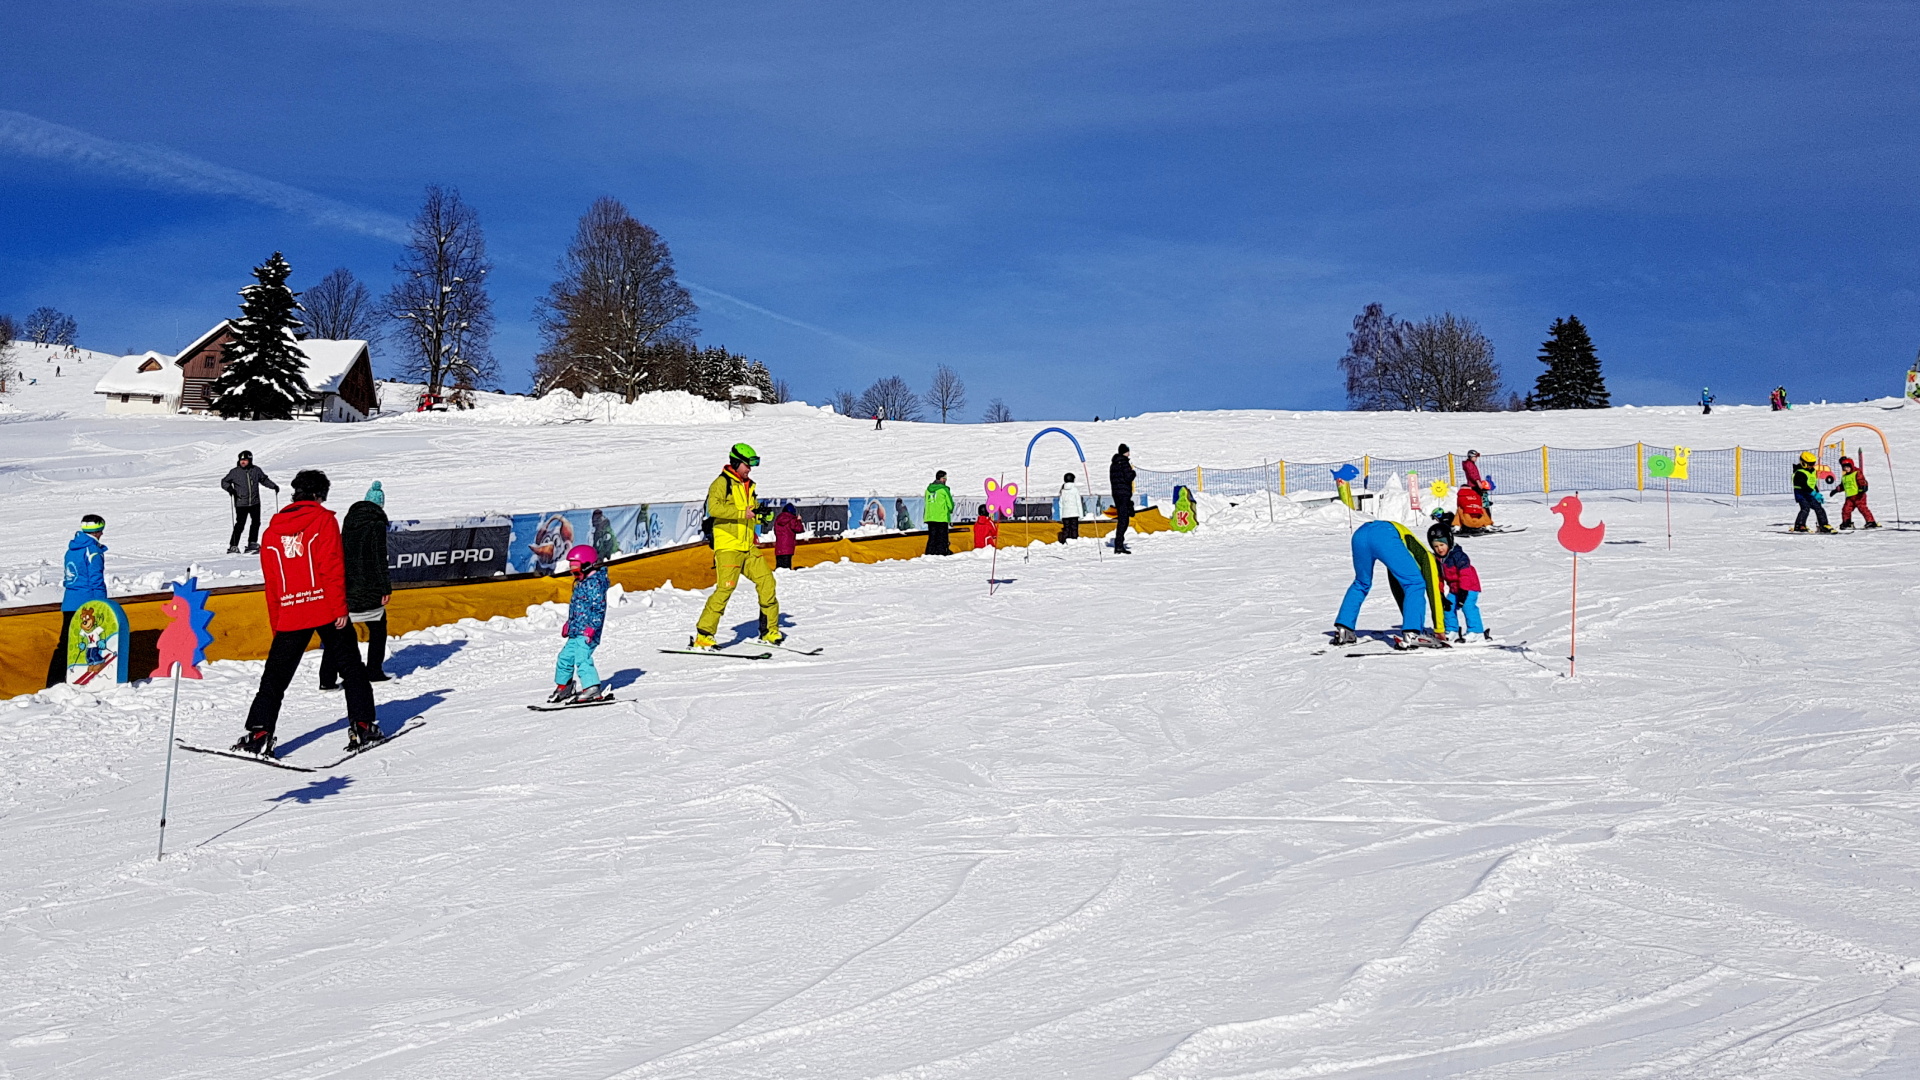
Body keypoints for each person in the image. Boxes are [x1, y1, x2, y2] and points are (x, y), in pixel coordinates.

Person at [231, 470, 380, 757]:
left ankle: (259, 732)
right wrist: (340, 609)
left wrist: (277, 621)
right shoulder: (323, 520)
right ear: (319, 494)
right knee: (351, 668)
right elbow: (332, 567)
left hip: (290, 612)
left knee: (274, 677)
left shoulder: (272, 532)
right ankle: (362, 726)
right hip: (325, 608)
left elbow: (272, 583)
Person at [692, 443, 783, 649]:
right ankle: (704, 634)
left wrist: (760, 515)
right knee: (725, 589)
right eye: (747, 465)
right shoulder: (721, 483)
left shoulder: (749, 485)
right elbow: (714, 508)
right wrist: (743, 513)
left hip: (747, 546)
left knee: (767, 582)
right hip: (728, 547)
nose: (749, 469)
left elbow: (749, 513)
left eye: (752, 465)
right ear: (736, 462)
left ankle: (769, 631)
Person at [1331, 519, 1448, 649]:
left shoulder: (1403, 546)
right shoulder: (1427, 557)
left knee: (1361, 583)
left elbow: (1397, 587)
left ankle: (1344, 630)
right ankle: (1412, 634)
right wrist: (1439, 629)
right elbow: (1433, 590)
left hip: (1360, 534)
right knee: (1415, 583)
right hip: (1384, 534)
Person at [320, 481, 391, 689]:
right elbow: (379, 558)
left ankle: (327, 678)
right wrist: (385, 587)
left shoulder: (348, 521)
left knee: (339, 635)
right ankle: (374, 670)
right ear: (380, 505)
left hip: (346, 586)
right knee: (378, 628)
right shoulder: (376, 524)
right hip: (369, 586)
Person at [44, 514, 108, 688]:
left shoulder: (72, 549)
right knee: (90, 642)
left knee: (65, 644)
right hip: (87, 605)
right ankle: (82, 680)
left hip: (70, 602)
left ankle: (54, 683)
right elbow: (96, 579)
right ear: (99, 530)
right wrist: (103, 604)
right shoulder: (93, 550)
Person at [548, 545, 610, 704]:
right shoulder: (582, 583)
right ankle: (565, 686)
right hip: (577, 630)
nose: (574, 575)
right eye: (572, 572)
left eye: (576, 572)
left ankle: (592, 688)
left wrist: (592, 627)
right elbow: (578, 608)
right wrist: (569, 624)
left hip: (589, 631)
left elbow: (599, 609)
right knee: (564, 657)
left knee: (582, 658)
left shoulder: (595, 584)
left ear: (587, 566)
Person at [1429, 526, 1490, 642]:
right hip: (1454, 589)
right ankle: (1452, 631)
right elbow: (1439, 578)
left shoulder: (1458, 555)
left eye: (1442, 545)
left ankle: (1476, 632)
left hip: (1469, 587)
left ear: (1449, 541)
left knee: (1468, 606)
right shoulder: (1438, 560)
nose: (1439, 549)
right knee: (1447, 607)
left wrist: (1463, 591)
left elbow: (1465, 574)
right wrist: (1440, 594)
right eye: (1436, 546)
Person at [220, 450, 280, 554]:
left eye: (245, 460)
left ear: (250, 460)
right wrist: (230, 489)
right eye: (241, 460)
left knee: (256, 523)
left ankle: (252, 543)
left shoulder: (256, 470)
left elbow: (264, 480)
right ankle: (233, 546)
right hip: (241, 503)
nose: (243, 462)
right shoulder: (235, 472)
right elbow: (224, 481)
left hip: (255, 502)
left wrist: (273, 486)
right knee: (240, 524)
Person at [1791, 451, 1835, 534]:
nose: (1812, 466)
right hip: (1802, 494)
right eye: (1810, 464)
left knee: (1819, 508)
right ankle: (1799, 525)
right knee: (1805, 508)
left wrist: (1817, 493)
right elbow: (1804, 486)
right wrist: (1814, 493)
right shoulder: (1799, 473)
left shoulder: (1812, 471)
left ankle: (1823, 525)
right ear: (1803, 463)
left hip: (1810, 494)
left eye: (1813, 463)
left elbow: (1813, 484)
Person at [1836, 455, 1880, 529]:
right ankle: (1847, 522)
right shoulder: (1845, 477)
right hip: (1850, 497)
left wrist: (1863, 486)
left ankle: (1871, 522)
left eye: (1847, 467)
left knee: (1862, 508)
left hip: (1859, 495)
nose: (1845, 469)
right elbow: (1843, 486)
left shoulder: (1856, 472)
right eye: (1844, 467)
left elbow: (1861, 480)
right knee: (1846, 510)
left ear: (1851, 466)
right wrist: (1836, 490)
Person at [1109, 444, 1136, 554]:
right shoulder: (1124, 463)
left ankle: (1119, 543)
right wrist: (1133, 472)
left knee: (1123, 518)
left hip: (1116, 494)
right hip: (1124, 494)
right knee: (1124, 520)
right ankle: (1119, 545)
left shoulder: (1113, 464)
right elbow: (1128, 477)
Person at [925, 470, 955, 555]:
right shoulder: (944, 489)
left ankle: (930, 552)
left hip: (930, 517)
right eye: (945, 478)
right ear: (942, 479)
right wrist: (951, 509)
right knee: (942, 537)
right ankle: (941, 552)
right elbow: (950, 504)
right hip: (941, 517)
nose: (946, 480)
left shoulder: (928, 489)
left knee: (932, 537)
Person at [773, 502, 804, 568]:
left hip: (779, 548)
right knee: (786, 569)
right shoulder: (792, 519)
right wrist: (798, 520)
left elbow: (775, 531)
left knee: (779, 568)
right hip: (788, 548)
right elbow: (799, 529)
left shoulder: (778, 519)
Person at [1058, 472, 1082, 541]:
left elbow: (1061, 504)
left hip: (1065, 514)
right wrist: (1080, 515)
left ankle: (1065, 540)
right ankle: (1074, 540)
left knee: (1066, 529)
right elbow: (1078, 503)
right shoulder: (1075, 490)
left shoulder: (1062, 491)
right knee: (1074, 528)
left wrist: (1061, 516)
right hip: (1074, 513)